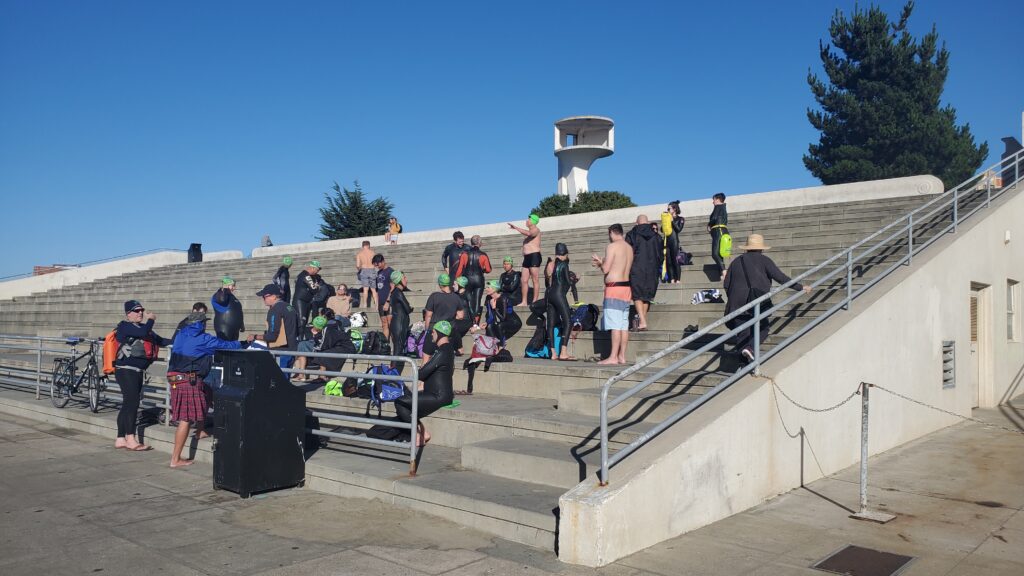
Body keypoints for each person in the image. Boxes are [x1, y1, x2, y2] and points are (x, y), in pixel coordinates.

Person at [167, 310, 241, 468]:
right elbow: (226, 346)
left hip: (174, 378)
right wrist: (244, 342)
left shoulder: (181, 334)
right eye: (204, 322)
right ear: (200, 324)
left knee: (207, 393)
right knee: (185, 419)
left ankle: (200, 430)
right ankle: (175, 459)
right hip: (188, 380)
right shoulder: (203, 339)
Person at [724, 234, 812, 364]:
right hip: (757, 302)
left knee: (743, 333)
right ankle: (750, 349)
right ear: (761, 248)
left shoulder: (736, 261)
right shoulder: (764, 260)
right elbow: (781, 278)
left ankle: (743, 364)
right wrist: (800, 287)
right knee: (763, 328)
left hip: (736, 303)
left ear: (746, 248)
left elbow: (726, 284)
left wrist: (734, 298)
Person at [113, 300, 172, 451]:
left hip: (137, 371)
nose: (140, 313)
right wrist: (151, 319)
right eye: (136, 310)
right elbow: (142, 333)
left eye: (141, 310)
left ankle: (120, 439)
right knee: (132, 403)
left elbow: (161, 341)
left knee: (128, 403)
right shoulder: (125, 326)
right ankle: (131, 438)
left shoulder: (145, 329)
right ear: (128, 314)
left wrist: (181, 339)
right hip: (125, 369)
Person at [394, 320, 455, 447]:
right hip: (437, 393)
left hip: (438, 396)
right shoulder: (447, 349)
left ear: (438, 333)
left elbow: (423, 373)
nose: (432, 334)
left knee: (400, 402)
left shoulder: (442, 351)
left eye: (433, 332)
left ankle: (420, 434)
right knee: (408, 401)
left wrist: (417, 374)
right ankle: (420, 432)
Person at [592, 224, 634, 365]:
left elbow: (606, 269)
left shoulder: (612, 246)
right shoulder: (629, 248)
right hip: (626, 288)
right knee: (623, 325)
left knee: (615, 325)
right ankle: (622, 356)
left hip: (614, 288)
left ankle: (613, 357)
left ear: (611, 233)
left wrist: (600, 263)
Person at [625, 215, 663, 332]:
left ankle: (642, 320)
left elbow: (627, 252)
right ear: (648, 222)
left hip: (636, 268)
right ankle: (642, 320)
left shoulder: (632, 234)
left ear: (636, 223)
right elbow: (661, 255)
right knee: (647, 296)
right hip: (652, 269)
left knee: (637, 295)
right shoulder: (657, 236)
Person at [253, 283, 300, 369]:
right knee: (285, 378)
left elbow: (272, 336)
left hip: (280, 351)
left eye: (265, 296)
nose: (263, 299)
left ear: (274, 296)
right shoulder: (289, 307)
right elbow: (298, 328)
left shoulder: (275, 310)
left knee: (278, 380)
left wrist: (255, 337)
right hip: (292, 348)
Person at [421, 274, 461, 364]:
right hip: (447, 331)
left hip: (434, 329)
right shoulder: (456, 297)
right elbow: (460, 315)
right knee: (445, 359)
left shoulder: (434, 296)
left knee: (426, 358)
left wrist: (427, 330)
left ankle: (421, 377)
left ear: (440, 285)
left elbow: (428, 315)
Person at [545, 243, 574, 361]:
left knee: (550, 324)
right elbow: (567, 280)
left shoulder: (553, 264)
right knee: (568, 321)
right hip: (559, 294)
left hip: (550, 294)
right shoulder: (564, 265)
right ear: (565, 254)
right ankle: (563, 352)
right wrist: (574, 280)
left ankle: (553, 353)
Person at [455, 235, 492, 323]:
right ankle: (475, 323)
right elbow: (488, 269)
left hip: (467, 280)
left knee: (469, 300)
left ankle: (469, 320)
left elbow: (459, 270)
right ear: (480, 243)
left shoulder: (464, 254)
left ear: (471, 243)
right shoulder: (483, 255)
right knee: (477, 301)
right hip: (479, 279)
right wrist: (482, 270)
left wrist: (456, 279)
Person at [509, 214, 542, 306]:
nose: (527, 221)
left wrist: (516, 228)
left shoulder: (536, 229)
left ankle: (535, 301)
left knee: (535, 279)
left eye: (528, 219)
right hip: (527, 258)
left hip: (534, 256)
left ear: (533, 221)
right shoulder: (529, 233)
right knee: (524, 280)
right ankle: (524, 301)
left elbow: (529, 233)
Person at [482, 279, 521, 348]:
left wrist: (494, 308)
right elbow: (491, 314)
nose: (486, 289)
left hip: (514, 322)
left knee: (499, 325)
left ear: (494, 289)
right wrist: (487, 322)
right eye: (486, 287)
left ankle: (501, 345)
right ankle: (493, 346)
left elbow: (503, 318)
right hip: (504, 321)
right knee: (489, 326)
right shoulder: (488, 298)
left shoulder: (503, 298)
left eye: (488, 287)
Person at [388, 270, 413, 368]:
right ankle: (391, 372)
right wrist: (410, 308)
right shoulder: (398, 293)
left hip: (396, 324)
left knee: (397, 348)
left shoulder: (394, 292)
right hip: (399, 325)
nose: (406, 280)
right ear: (399, 280)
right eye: (404, 278)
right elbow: (407, 308)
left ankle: (393, 371)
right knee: (397, 349)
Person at [211, 276, 245, 341]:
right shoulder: (218, 295)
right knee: (224, 348)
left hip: (235, 329)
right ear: (227, 285)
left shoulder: (232, 297)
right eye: (233, 285)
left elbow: (238, 311)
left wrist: (241, 324)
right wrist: (225, 289)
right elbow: (222, 300)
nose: (234, 288)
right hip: (224, 328)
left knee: (233, 349)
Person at [292, 260, 323, 326]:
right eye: (317, 270)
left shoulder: (303, 275)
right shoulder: (306, 276)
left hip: (305, 301)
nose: (317, 272)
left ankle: (301, 336)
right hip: (300, 301)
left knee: (303, 323)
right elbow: (314, 290)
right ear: (313, 268)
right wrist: (318, 287)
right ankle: (299, 336)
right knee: (301, 323)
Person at [373, 254, 397, 340]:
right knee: (384, 324)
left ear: (383, 261)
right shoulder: (379, 272)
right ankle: (385, 344)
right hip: (381, 303)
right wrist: (377, 303)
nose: (377, 267)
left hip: (389, 302)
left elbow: (393, 287)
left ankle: (396, 345)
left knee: (391, 324)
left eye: (378, 264)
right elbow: (378, 289)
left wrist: (388, 301)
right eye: (375, 265)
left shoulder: (390, 271)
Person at [663, 201, 685, 284]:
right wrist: (665, 221)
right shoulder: (666, 218)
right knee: (668, 261)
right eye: (667, 209)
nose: (668, 210)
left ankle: (678, 279)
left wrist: (672, 221)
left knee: (675, 261)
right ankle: (671, 279)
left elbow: (678, 229)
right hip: (667, 241)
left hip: (674, 241)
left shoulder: (681, 219)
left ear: (675, 209)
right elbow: (662, 229)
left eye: (669, 208)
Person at [708, 193, 729, 280]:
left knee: (715, 254)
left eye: (713, 199)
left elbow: (714, 218)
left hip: (718, 231)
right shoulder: (723, 207)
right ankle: (722, 273)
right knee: (719, 254)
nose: (713, 202)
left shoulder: (718, 207)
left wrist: (709, 225)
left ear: (717, 199)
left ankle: (724, 272)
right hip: (722, 231)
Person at [355, 241, 377, 308]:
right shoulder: (373, 253)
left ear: (362, 246)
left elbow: (358, 265)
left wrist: (359, 270)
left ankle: (365, 305)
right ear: (369, 245)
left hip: (364, 270)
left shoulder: (359, 254)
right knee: (373, 289)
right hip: (372, 270)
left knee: (365, 289)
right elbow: (376, 264)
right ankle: (376, 304)